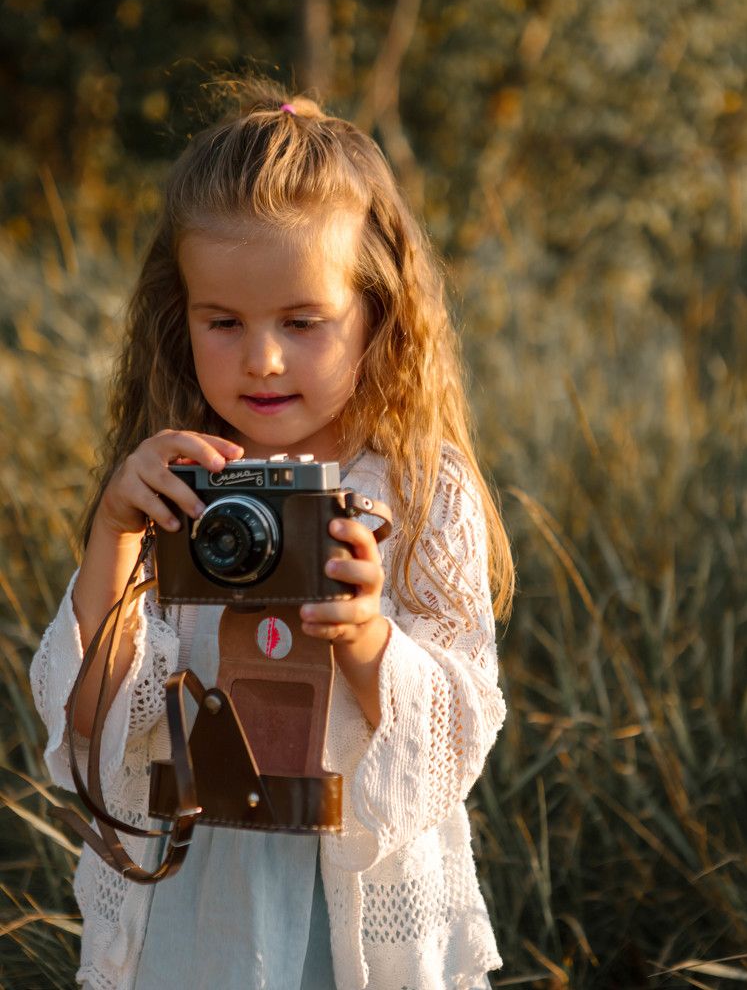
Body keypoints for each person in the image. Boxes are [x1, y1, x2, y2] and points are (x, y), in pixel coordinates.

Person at [30, 77, 515, 990]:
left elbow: (459, 738)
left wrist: (371, 639)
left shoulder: (417, 485)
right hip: (197, 898)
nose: (262, 358)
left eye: (303, 322)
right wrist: (114, 535)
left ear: (378, 310)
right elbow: (89, 726)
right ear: (182, 316)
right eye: (224, 322)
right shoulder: (180, 485)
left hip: (360, 904)